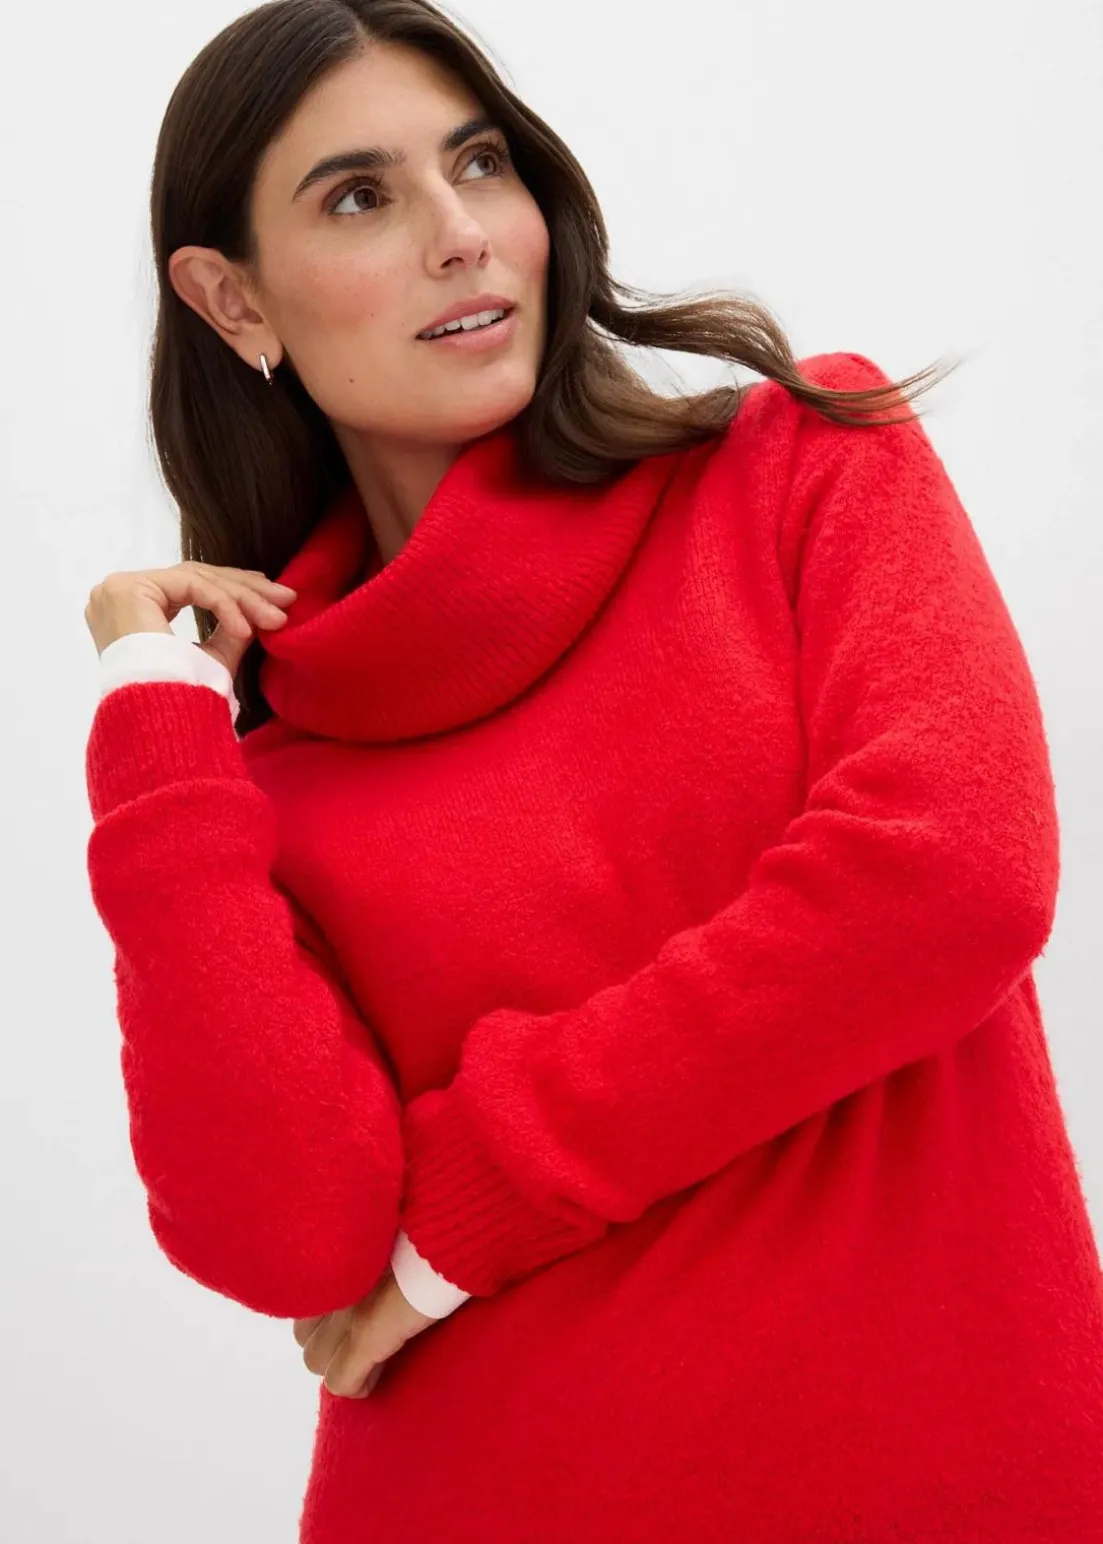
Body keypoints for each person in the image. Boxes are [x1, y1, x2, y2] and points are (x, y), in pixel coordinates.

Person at [82, 2, 1103, 1540]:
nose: (460, 235)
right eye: (359, 197)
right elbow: (286, 1245)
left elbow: (949, 880)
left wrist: (478, 1193)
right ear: (234, 301)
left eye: (478, 164)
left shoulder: (803, 467)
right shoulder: (262, 774)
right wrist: (154, 729)